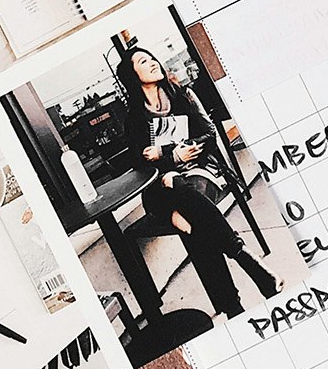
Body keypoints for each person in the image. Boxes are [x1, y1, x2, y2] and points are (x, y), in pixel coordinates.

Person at [118, 45, 278, 319]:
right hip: (162, 188)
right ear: (133, 76)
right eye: (143, 62)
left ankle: (231, 307)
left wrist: (169, 155)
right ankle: (247, 261)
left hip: (201, 172)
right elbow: (141, 164)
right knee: (182, 193)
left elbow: (209, 135)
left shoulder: (182, 96)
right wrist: (172, 160)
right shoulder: (135, 117)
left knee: (192, 219)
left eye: (152, 57)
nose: (153, 62)